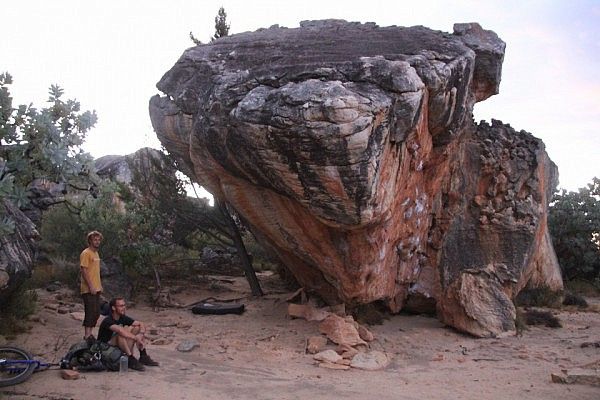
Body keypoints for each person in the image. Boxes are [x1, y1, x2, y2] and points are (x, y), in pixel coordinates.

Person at [97, 297, 159, 371]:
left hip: (117, 347)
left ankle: (143, 356)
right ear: (113, 308)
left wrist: (141, 334)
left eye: (124, 305)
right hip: (105, 349)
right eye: (121, 306)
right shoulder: (108, 320)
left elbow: (141, 323)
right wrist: (136, 338)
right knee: (120, 334)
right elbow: (120, 331)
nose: (123, 308)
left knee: (137, 327)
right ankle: (130, 359)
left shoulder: (122, 317)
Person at [80, 230, 103, 342]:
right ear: (90, 241)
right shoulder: (86, 253)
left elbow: (95, 271)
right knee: (90, 311)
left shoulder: (96, 253)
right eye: (95, 239)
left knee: (97, 312)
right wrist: (91, 286)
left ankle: (90, 335)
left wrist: (99, 286)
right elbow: (84, 270)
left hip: (97, 288)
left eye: (98, 240)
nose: (97, 242)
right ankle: (87, 336)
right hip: (88, 289)